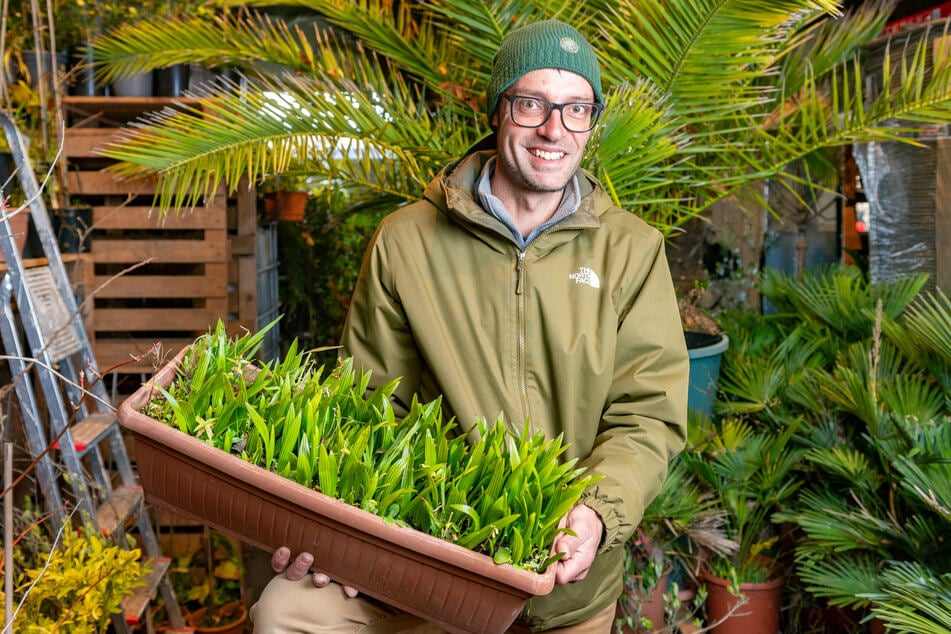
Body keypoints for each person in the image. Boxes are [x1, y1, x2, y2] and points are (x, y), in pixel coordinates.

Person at [250, 18, 689, 633]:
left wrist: (595, 513)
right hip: (431, 566)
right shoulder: (407, 241)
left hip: (566, 586)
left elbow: (648, 415)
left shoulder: (631, 251)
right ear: (498, 109)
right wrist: (338, 534)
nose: (554, 130)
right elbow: (371, 406)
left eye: (576, 109)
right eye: (532, 103)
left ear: (592, 122)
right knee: (286, 612)